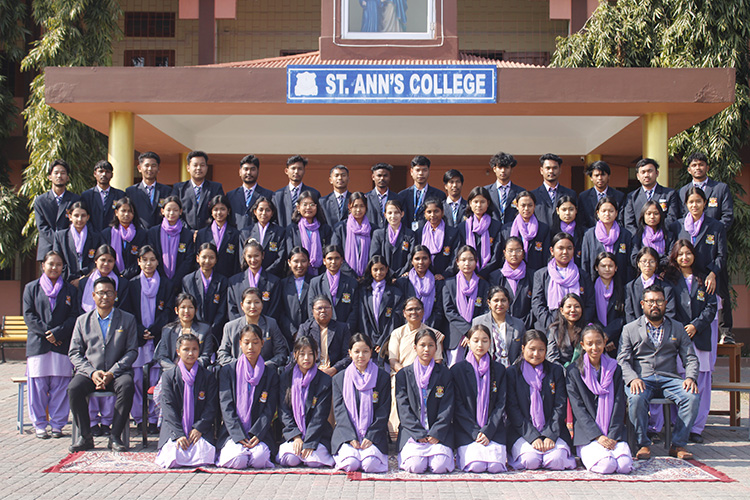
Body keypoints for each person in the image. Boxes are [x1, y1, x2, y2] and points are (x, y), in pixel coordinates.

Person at [617, 284, 700, 461]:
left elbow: (690, 358)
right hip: (642, 379)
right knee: (636, 398)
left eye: (659, 301)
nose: (655, 305)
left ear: (665, 303)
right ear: (642, 304)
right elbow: (622, 360)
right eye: (650, 301)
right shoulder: (630, 329)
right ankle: (643, 444)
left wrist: (690, 378)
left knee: (691, 396)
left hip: (669, 378)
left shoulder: (677, 327)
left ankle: (678, 445)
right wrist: (632, 379)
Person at [67, 276, 138, 452]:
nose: (105, 296)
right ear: (93, 295)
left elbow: (132, 351)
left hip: (117, 373)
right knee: (74, 389)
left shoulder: (127, 319)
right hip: (90, 373)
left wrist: (112, 372)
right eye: (100, 293)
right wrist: (92, 372)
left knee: (127, 386)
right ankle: (85, 436)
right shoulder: (82, 321)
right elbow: (74, 353)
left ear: (115, 295)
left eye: (109, 293)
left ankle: (115, 436)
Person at [664, 240, 717, 444]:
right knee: (679, 380)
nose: (684, 257)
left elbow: (711, 308)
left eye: (688, 253)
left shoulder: (704, 279)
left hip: (700, 336)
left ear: (694, 255)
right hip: (678, 338)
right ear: (674, 257)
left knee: (700, 383)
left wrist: (695, 326)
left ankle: (696, 428)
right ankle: (678, 424)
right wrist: (681, 329)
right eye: (680, 254)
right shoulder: (669, 280)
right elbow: (668, 309)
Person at [23, 251, 79, 439]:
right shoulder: (31, 288)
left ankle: (57, 424)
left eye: (58, 264)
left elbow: (74, 315)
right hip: (39, 345)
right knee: (38, 387)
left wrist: (58, 333)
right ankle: (39, 424)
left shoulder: (70, 290)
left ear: (63, 267)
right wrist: (49, 334)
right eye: (51, 264)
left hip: (61, 345)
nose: (54, 267)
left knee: (60, 386)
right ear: (43, 265)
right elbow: (29, 315)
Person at [566, 324, 632, 474]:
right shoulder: (574, 371)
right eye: (589, 344)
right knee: (606, 465)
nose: (594, 347)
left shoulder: (615, 368)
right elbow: (578, 409)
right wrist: (598, 436)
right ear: (582, 345)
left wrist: (613, 435)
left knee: (624, 466)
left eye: (598, 342)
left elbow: (619, 403)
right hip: (588, 434)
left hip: (613, 432)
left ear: (604, 342)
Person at [506, 330, 575, 470]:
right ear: (523, 348)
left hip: (553, 429)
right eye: (532, 349)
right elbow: (512, 409)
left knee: (555, 461)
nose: (536, 354)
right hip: (522, 431)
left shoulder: (555, 371)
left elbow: (560, 405)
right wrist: (532, 436)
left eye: (541, 350)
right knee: (530, 461)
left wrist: (550, 435)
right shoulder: (512, 373)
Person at [216, 324, 279, 469]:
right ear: (240, 344)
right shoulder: (228, 371)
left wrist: (258, 433)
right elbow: (226, 406)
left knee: (259, 460)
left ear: (262, 343)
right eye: (246, 342)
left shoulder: (270, 374)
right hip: (233, 432)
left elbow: (269, 409)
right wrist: (238, 435)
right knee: (238, 460)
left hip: (260, 433)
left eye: (255, 342)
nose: (251, 347)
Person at [670, 187, 727, 343]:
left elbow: (721, 255)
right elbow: (672, 252)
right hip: (683, 281)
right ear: (686, 204)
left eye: (698, 201)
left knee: (706, 326)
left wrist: (713, 274)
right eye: (691, 202)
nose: (694, 205)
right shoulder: (677, 226)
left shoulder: (716, 226)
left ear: (705, 203)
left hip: (707, 282)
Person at [124, 245, 171, 434]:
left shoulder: (166, 284)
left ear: (158, 262)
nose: (149, 263)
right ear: (138, 262)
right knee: (137, 380)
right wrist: (139, 330)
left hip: (157, 337)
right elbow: (128, 311)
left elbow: (168, 310)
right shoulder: (132, 284)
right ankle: (139, 418)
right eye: (144, 260)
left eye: (152, 259)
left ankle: (153, 418)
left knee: (155, 378)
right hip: (138, 339)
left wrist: (154, 329)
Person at [394, 329, 455, 473]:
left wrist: (436, 432)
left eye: (431, 345)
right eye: (422, 345)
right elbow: (403, 408)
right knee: (416, 466)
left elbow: (447, 406)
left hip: (438, 432)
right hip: (412, 432)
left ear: (436, 347)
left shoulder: (445, 373)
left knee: (440, 466)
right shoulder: (404, 375)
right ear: (415, 347)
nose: (426, 349)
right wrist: (418, 433)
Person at [155, 333, 217, 468]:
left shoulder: (207, 376)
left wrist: (199, 428)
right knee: (173, 456)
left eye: (194, 349)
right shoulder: (169, 376)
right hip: (174, 429)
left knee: (204, 455)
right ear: (178, 351)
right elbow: (168, 408)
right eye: (186, 349)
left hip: (199, 429)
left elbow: (211, 406)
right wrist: (179, 434)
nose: (190, 353)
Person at [451, 325, 508, 473]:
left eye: (484, 340)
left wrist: (488, 431)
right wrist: (475, 432)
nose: (480, 345)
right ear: (468, 342)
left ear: (490, 342)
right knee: (476, 466)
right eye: (475, 340)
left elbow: (501, 404)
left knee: (495, 467)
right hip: (467, 430)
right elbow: (457, 406)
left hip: (493, 430)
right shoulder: (457, 370)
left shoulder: (499, 370)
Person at [331, 334, 391, 473]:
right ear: (350, 353)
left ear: (371, 352)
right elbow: (340, 412)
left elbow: (383, 410)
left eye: (365, 351)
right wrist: (350, 437)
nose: (361, 356)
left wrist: (371, 436)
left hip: (374, 434)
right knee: (350, 464)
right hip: (346, 434)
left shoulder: (382, 377)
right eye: (356, 351)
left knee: (370, 465)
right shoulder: (339, 378)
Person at [387, 297, 445, 435]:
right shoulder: (397, 333)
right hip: (403, 375)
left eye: (418, 309)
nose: (414, 312)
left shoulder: (433, 334)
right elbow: (393, 360)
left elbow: (438, 360)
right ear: (404, 313)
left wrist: (424, 375)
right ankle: (396, 432)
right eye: (410, 309)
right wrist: (407, 375)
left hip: (428, 375)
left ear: (423, 311)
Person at [277, 336, 335, 468]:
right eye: (302, 354)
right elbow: (284, 411)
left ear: (316, 355)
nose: (306, 358)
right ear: (295, 355)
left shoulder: (324, 380)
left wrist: (309, 442)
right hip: (293, 434)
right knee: (290, 459)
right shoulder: (286, 378)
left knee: (313, 461)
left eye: (310, 354)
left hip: (318, 435)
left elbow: (320, 415)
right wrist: (296, 436)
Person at [531, 232, 594, 331]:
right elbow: (537, 304)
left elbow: (590, 304)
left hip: (578, 329)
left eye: (569, 248)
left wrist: (577, 325)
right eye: (560, 248)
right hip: (549, 328)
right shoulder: (541, 275)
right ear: (552, 251)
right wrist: (552, 326)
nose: (565, 252)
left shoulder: (582, 275)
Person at [217, 287, 289, 370]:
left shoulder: (271, 324)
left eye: (256, 302)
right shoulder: (230, 327)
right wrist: (240, 365)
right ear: (242, 305)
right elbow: (222, 354)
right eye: (248, 302)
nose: (253, 306)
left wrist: (263, 366)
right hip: (237, 371)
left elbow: (281, 352)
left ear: (262, 304)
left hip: (265, 372)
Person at [443, 246, 490, 366]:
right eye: (463, 260)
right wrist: (468, 331)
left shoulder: (484, 285)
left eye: (471, 260)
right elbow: (449, 311)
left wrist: (473, 333)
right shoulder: (449, 283)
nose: (467, 263)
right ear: (457, 262)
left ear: (476, 261)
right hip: (455, 336)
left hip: (477, 337)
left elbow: (485, 310)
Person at [357, 256, 404, 363]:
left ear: (387, 269)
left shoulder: (396, 293)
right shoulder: (364, 291)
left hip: (388, 339)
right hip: (369, 340)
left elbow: (394, 320)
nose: (379, 272)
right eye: (375, 269)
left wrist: (382, 341)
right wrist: (370, 341)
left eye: (382, 269)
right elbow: (363, 318)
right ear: (370, 270)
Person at [153, 293, 215, 371]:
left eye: (190, 307)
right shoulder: (168, 330)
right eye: (183, 307)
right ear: (176, 310)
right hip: (172, 372)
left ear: (196, 310)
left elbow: (205, 357)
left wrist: (189, 368)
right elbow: (162, 357)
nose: (186, 311)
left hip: (196, 371)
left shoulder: (205, 329)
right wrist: (177, 370)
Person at [182, 242, 229, 343]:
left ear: (216, 259)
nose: (207, 261)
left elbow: (222, 310)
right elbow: (187, 306)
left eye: (211, 257)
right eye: (204, 257)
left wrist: (211, 330)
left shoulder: (222, 281)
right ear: (197, 258)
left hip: (215, 333)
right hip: (193, 331)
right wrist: (199, 329)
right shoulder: (188, 280)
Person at [146, 196, 195, 292]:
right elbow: (152, 256)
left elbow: (188, 259)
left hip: (180, 282)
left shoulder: (187, 234)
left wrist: (176, 280)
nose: (171, 213)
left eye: (175, 210)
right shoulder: (153, 232)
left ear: (180, 211)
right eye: (168, 210)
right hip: (158, 279)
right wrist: (163, 278)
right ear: (162, 211)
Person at [296, 296, 353, 377]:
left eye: (326, 308)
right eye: (319, 308)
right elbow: (298, 354)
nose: (323, 310)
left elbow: (348, 355)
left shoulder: (342, 328)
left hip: (335, 373)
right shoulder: (305, 328)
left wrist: (334, 369)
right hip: (310, 372)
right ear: (313, 311)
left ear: (331, 309)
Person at [35, 159, 80, 260]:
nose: (59, 176)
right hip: (47, 247)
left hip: (69, 247)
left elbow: (76, 224)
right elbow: (42, 227)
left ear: (67, 177)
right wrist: (58, 241)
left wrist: (64, 241)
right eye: (56, 173)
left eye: (63, 173)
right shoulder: (40, 200)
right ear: (50, 177)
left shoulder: (75, 199)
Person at [308, 245, 359, 332]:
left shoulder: (351, 283)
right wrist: (320, 329)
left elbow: (354, 310)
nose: (333, 262)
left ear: (342, 260)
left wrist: (346, 330)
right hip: (322, 330)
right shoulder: (315, 282)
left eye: (337, 258)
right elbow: (311, 308)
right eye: (330, 258)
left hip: (345, 331)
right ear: (324, 261)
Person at [581, 196, 632, 283]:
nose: (607, 214)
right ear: (598, 213)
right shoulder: (589, 235)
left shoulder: (625, 234)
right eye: (603, 211)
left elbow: (628, 264)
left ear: (616, 213)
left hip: (620, 283)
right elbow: (585, 262)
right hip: (594, 282)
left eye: (611, 211)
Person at [471, 286, 526, 367]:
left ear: (508, 303)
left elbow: (523, 351)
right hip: (486, 368)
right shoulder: (478, 322)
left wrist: (513, 369)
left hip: (512, 370)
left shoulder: (518, 324)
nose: (500, 304)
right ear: (489, 303)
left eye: (503, 300)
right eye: (496, 300)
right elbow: (473, 350)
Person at [622, 158, 680, 235]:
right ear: (638, 176)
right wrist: (642, 237)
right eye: (643, 172)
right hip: (640, 239)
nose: (646, 175)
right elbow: (629, 223)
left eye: (650, 171)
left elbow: (671, 218)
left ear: (657, 173)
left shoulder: (669, 194)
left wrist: (656, 234)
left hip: (663, 237)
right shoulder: (632, 197)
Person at [227, 239, 280, 321]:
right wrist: (242, 326)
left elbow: (274, 309)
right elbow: (232, 309)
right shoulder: (234, 282)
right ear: (244, 256)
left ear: (262, 255)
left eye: (256, 256)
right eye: (249, 256)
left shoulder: (274, 282)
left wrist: (263, 324)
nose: (253, 260)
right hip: (241, 327)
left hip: (265, 326)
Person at [171, 151, 225, 232]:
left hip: (209, 233)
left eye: (202, 165)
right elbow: (174, 210)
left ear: (206, 167)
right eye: (195, 165)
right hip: (184, 233)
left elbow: (220, 210)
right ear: (188, 168)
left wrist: (203, 232)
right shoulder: (179, 188)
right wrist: (189, 231)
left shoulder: (216, 187)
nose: (199, 168)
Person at [395, 246, 445, 330]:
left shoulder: (437, 283)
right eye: (417, 259)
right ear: (412, 261)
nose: (421, 262)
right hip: (408, 329)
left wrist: (425, 328)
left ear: (430, 261)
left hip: (431, 329)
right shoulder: (403, 282)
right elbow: (399, 309)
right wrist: (413, 325)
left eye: (424, 258)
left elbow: (439, 310)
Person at [488, 237, 533, 329]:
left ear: (523, 253)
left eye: (518, 250)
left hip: (528, 325)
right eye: (510, 251)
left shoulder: (532, 275)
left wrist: (523, 324)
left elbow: (535, 304)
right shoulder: (495, 276)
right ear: (504, 253)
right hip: (502, 325)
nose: (514, 254)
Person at [500, 191, 551, 273]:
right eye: (523, 205)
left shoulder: (543, 228)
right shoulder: (506, 229)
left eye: (530, 205)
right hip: (512, 273)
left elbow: (546, 256)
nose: (526, 209)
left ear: (534, 206)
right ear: (517, 206)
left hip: (536, 274)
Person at [53, 200, 102, 284]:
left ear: (88, 217)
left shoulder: (95, 237)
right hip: (66, 280)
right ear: (70, 216)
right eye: (76, 215)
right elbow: (57, 259)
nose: (79, 219)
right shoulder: (60, 236)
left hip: (89, 279)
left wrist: (83, 278)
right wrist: (70, 279)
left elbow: (96, 261)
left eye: (83, 216)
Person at [285, 190, 332, 276]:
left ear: (317, 207)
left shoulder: (325, 229)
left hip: (321, 274)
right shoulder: (292, 229)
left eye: (312, 204)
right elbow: (289, 253)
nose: (308, 207)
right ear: (298, 207)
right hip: (298, 273)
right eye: (305, 204)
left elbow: (328, 253)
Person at [457, 186, 501, 278]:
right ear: (470, 203)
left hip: (491, 275)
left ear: (488, 203)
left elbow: (497, 255)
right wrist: (473, 272)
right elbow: (460, 252)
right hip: (468, 274)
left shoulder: (496, 226)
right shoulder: (463, 227)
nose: (479, 205)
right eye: (475, 202)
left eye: (482, 202)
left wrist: (483, 274)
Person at [625, 247, 676, 323]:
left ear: (656, 264)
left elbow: (669, 313)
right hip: (636, 329)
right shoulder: (630, 287)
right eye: (644, 261)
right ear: (638, 263)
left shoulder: (666, 288)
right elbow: (629, 314)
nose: (647, 264)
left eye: (651, 261)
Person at [195, 194, 240, 280]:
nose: (219, 213)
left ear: (228, 211)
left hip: (228, 279)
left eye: (222, 209)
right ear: (211, 212)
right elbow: (196, 260)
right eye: (215, 209)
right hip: (206, 278)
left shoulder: (236, 234)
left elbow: (236, 262)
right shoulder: (202, 234)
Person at [239, 197, 286, 277]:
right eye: (260, 210)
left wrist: (265, 274)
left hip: (273, 277)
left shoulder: (280, 232)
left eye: (268, 210)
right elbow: (242, 257)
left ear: (272, 213)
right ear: (255, 211)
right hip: (251, 276)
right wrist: (254, 272)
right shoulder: (245, 233)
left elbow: (280, 258)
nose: (264, 213)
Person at [101, 197, 146, 280]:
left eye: (130, 211)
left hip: (134, 278)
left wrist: (126, 275)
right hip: (111, 276)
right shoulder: (107, 233)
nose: (126, 214)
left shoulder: (141, 234)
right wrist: (116, 274)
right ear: (116, 212)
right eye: (123, 211)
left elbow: (142, 257)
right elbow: (105, 256)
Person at [225, 154, 274, 230]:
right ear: (240, 172)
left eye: (252, 169)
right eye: (246, 169)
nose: (249, 172)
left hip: (258, 235)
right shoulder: (230, 195)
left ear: (258, 172)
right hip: (236, 235)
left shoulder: (268, 194)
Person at [369, 199, 416, 279]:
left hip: (404, 277)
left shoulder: (410, 235)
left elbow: (411, 256)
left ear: (402, 214)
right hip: (383, 276)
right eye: (390, 213)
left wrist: (402, 272)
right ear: (385, 215)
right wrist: (387, 272)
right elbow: (374, 256)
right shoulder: (378, 234)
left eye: (396, 212)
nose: (393, 216)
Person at [125, 152, 173, 230]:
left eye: (153, 166)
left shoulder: (167, 191)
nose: (150, 169)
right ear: (139, 168)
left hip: (161, 232)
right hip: (138, 233)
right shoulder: (131, 191)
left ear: (158, 168)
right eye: (147, 166)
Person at [398, 155, 446, 230]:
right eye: (417, 170)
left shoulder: (439, 195)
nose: (421, 173)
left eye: (424, 170)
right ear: (411, 172)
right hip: (407, 234)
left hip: (430, 233)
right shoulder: (402, 195)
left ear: (429, 171)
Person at [331, 192, 372, 280]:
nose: (358, 210)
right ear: (349, 207)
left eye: (362, 206)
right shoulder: (340, 228)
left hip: (367, 278)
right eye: (355, 206)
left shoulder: (372, 229)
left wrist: (366, 275)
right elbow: (336, 253)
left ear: (366, 207)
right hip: (345, 276)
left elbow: (373, 255)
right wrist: (352, 275)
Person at [530, 153, 578, 228]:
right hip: (541, 234)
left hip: (563, 234)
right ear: (541, 170)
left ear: (560, 170)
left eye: (555, 168)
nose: (551, 171)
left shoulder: (570, 194)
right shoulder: (533, 195)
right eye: (548, 168)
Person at [591, 252, 626, 352]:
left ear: (616, 268)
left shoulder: (623, 289)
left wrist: (609, 335)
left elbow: (624, 317)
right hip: (595, 338)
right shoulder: (590, 288)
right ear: (596, 268)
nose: (607, 269)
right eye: (603, 266)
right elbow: (589, 315)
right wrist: (602, 336)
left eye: (610, 266)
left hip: (616, 340)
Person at [273, 155, 320, 228]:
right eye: (293, 168)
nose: (296, 172)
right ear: (286, 171)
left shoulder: (314, 193)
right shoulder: (277, 195)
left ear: (304, 171)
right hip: (284, 233)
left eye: (300, 169)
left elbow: (318, 217)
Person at [277, 247, 312, 346]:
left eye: (303, 261)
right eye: (296, 261)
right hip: (287, 336)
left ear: (308, 262)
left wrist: (304, 331)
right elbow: (280, 312)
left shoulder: (314, 282)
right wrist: (294, 332)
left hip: (310, 334)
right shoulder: (282, 283)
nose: (299, 265)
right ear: (289, 262)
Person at [416, 199, 459, 279]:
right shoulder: (419, 233)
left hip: (447, 278)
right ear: (425, 214)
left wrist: (445, 274)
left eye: (436, 211)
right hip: (424, 277)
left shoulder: (452, 233)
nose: (432, 215)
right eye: (429, 212)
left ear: (442, 212)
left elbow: (455, 257)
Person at [80, 160, 125, 233]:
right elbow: (84, 216)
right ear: (95, 174)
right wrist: (93, 233)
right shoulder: (87, 195)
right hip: (92, 235)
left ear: (112, 175)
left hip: (114, 234)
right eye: (101, 171)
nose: (104, 174)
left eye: (107, 172)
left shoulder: (120, 195)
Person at [577, 161, 625, 230]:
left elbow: (620, 220)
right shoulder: (583, 197)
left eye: (603, 175)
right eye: (596, 175)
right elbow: (581, 222)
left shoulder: (619, 196)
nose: (600, 178)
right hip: (591, 234)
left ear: (608, 176)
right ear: (591, 178)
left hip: (613, 233)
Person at [630, 200, 675, 271]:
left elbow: (671, 258)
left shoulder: (669, 236)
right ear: (643, 216)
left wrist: (651, 262)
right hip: (644, 273)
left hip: (664, 273)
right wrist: (658, 259)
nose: (652, 217)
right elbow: (634, 259)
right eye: (648, 214)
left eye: (656, 213)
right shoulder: (638, 236)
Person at [546, 293, 585, 367]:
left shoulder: (587, 330)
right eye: (569, 307)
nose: (573, 310)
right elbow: (551, 358)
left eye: (577, 307)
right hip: (560, 370)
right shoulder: (554, 330)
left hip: (583, 369)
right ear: (562, 310)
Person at [485, 151, 525, 224]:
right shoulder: (486, 191)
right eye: (500, 167)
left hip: (513, 228)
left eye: (506, 167)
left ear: (511, 169)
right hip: (491, 228)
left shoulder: (521, 192)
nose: (503, 171)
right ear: (494, 169)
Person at [551, 196, 584, 267]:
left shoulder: (584, 232)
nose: (567, 213)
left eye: (571, 209)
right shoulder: (551, 232)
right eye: (564, 210)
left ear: (576, 210)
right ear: (557, 211)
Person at [365, 163, 398, 230]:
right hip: (371, 234)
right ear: (373, 177)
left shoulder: (397, 198)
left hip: (391, 234)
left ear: (389, 177)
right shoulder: (366, 198)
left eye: (385, 175)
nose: (382, 178)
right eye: (379, 175)